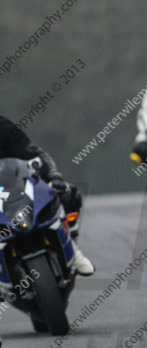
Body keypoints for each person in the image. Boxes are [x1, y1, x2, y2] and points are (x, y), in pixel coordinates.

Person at [0, 115, 94, 275]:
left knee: (67, 193)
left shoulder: (2, 125)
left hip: (15, 185)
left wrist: (53, 175)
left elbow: (31, 151)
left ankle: (72, 247)